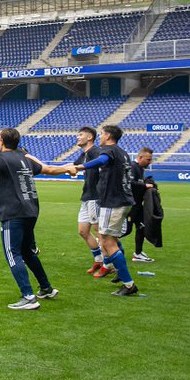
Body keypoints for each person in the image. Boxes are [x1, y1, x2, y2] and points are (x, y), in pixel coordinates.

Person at [0, 128, 67, 310]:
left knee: (13, 253)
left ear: (2, 141)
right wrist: (68, 168)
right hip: (31, 210)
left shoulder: (1, 157)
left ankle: (28, 297)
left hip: (13, 212)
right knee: (27, 252)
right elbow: (48, 169)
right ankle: (46, 288)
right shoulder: (23, 157)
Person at [75, 124, 139, 296]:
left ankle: (128, 284)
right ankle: (119, 272)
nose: (100, 137)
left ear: (109, 136)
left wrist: (82, 167)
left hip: (114, 202)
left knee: (107, 242)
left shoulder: (108, 151)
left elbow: (102, 161)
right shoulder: (122, 152)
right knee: (107, 238)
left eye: (102, 134)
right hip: (122, 200)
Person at [68, 126, 107, 277]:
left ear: (89, 137)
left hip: (95, 197)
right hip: (86, 196)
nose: (78, 137)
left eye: (80, 135)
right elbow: (72, 167)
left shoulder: (95, 152)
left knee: (99, 232)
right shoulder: (83, 154)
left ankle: (108, 263)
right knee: (83, 231)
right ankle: (98, 260)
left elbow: (103, 165)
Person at [129, 147, 156, 263]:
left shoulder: (140, 168)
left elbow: (139, 182)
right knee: (125, 231)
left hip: (138, 205)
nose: (150, 162)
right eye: (148, 159)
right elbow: (129, 183)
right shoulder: (132, 167)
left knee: (142, 227)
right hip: (130, 205)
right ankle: (103, 242)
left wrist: (147, 183)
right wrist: (145, 186)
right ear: (140, 157)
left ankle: (138, 253)